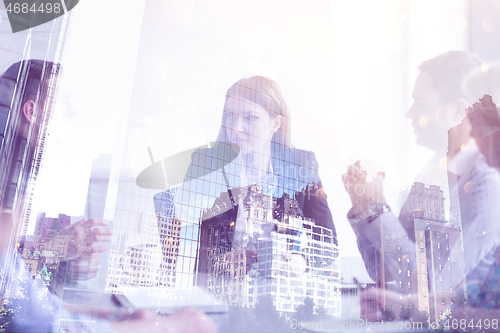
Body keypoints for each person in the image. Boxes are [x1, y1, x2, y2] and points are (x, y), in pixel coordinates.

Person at [0, 60, 219, 332]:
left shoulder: (23, 181)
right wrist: (164, 328)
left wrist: (66, 261)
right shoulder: (12, 187)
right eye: (63, 103)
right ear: (32, 111)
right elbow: (32, 321)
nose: (71, 115)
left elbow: (27, 294)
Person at [342, 51, 496, 315]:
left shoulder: (486, 187)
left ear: (460, 111)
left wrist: (376, 211)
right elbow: (382, 268)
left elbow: (434, 287)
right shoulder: (432, 174)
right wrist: (365, 209)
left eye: (421, 104)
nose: (409, 113)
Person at [171, 76, 337, 311]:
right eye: (230, 116)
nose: (236, 128)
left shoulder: (301, 166)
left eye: (250, 117)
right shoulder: (205, 165)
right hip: (216, 304)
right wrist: (221, 264)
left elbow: (328, 240)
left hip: (281, 304)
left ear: (275, 124)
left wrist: (301, 261)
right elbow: (179, 244)